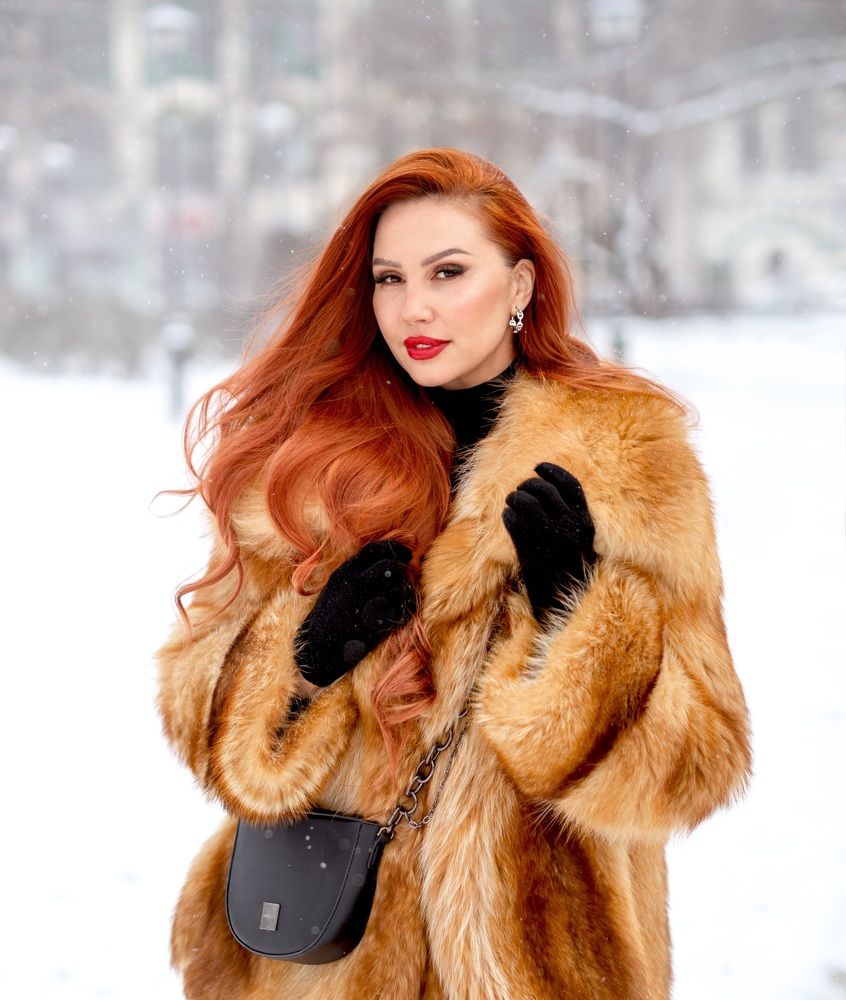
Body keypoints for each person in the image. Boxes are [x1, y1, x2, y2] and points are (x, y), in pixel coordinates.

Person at [156, 147, 751, 999]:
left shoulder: (627, 468)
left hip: (540, 966)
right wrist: (304, 660)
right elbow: (197, 716)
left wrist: (578, 619)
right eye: (389, 279)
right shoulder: (309, 467)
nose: (414, 307)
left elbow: (695, 766)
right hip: (324, 958)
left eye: (448, 272)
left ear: (519, 285)